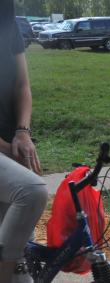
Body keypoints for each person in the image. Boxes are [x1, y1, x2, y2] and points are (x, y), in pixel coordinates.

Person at [0, 1, 48, 282]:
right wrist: (7, 148)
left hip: (9, 143)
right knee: (32, 191)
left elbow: (22, 85)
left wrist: (22, 132)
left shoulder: (8, 25)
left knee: (21, 270)